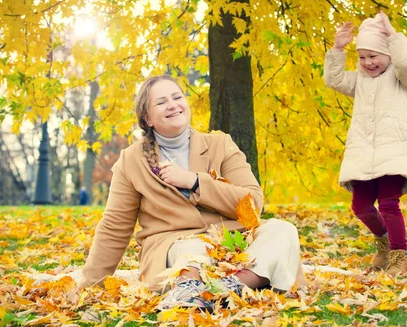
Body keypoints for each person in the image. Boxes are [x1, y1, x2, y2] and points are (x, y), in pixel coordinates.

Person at [80, 75, 305, 310]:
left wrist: (196, 182)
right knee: (192, 249)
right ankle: (188, 290)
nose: (173, 104)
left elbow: (253, 204)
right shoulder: (131, 160)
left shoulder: (220, 144)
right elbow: (115, 226)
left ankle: (230, 287)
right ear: (148, 118)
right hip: (173, 245)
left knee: (282, 230)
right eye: (162, 102)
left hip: (231, 243)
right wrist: (89, 285)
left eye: (177, 97)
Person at [324, 11, 407, 276]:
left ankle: (399, 256)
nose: (367, 63)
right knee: (361, 207)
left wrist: (393, 38)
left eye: (373, 56)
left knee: (389, 204)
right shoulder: (360, 81)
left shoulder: (403, 80)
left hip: (393, 152)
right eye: (362, 57)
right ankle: (384, 243)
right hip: (364, 155)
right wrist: (338, 48)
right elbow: (334, 80)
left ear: (388, 54)